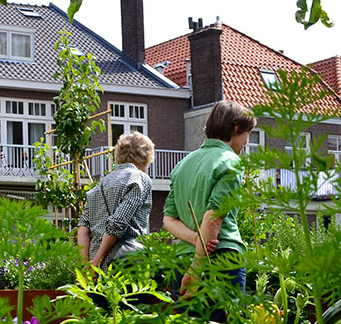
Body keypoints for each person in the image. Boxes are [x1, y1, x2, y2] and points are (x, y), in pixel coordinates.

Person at [162, 99, 255, 305]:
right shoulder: (230, 162)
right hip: (221, 258)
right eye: (247, 134)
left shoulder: (182, 165)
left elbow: (168, 219)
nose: (246, 141)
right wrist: (196, 268)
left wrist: (196, 239)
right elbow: (213, 219)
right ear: (236, 128)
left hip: (182, 260)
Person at [76, 131, 155, 270]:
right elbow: (117, 223)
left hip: (97, 271)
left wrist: (86, 265)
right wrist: (97, 261)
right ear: (146, 155)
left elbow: (83, 227)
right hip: (126, 263)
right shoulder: (140, 179)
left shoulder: (100, 185)